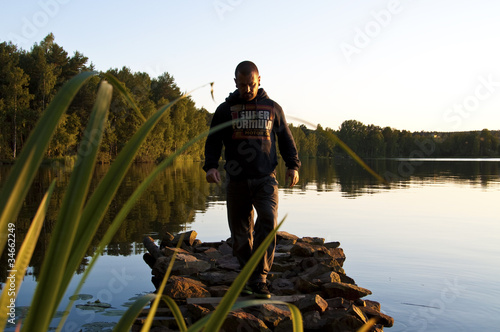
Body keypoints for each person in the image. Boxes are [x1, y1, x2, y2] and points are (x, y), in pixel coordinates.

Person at [203, 60, 301, 298]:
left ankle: (261, 277)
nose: (247, 89)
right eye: (243, 84)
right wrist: (211, 167)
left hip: (265, 178)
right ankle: (248, 274)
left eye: (252, 84)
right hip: (236, 181)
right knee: (240, 234)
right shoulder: (225, 111)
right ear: (235, 82)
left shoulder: (272, 108)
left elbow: (286, 140)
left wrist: (293, 165)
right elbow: (213, 141)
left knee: (268, 219)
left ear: (259, 81)